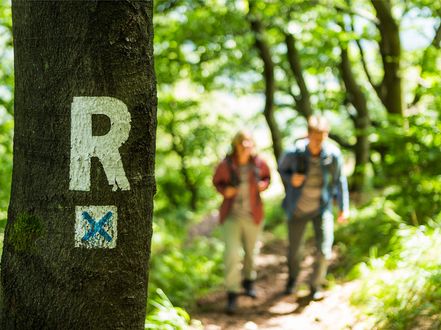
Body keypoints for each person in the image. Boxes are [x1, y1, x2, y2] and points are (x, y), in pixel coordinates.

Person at [278, 115, 349, 300]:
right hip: (297, 209)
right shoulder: (294, 152)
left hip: (321, 208)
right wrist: (290, 179)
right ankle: (292, 280)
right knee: (295, 252)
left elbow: (340, 180)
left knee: (325, 250)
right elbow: (281, 169)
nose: (319, 142)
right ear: (308, 135)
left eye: (323, 137)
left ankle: (315, 285)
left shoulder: (333, 154)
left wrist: (343, 207)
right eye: (316, 137)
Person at [213, 130, 271, 314]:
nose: (245, 146)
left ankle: (249, 281)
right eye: (242, 143)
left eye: (249, 142)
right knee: (231, 253)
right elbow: (217, 182)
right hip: (232, 216)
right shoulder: (226, 164)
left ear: (253, 144)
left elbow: (267, 177)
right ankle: (232, 292)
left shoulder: (259, 163)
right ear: (236, 145)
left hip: (253, 215)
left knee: (251, 253)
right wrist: (225, 191)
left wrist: (264, 185)